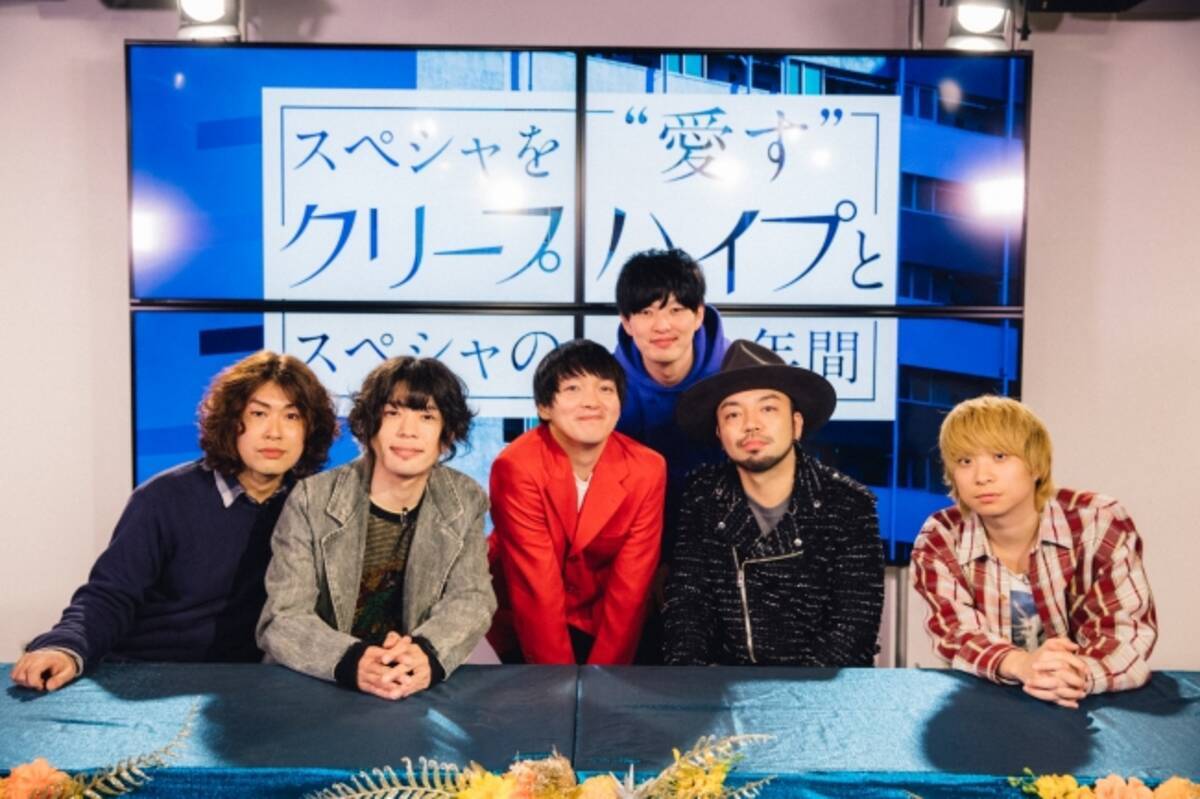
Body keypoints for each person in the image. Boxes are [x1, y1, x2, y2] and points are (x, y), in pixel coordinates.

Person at [11, 351, 337, 692]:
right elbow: (110, 594)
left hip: (245, 686)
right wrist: (64, 646)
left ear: (310, 430)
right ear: (230, 421)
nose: (275, 433)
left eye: (292, 416)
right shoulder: (164, 497)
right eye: (258, 413)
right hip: (147, 675)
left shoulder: (311, 506)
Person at [257, 356, 495, 701]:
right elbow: (282, 617)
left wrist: (426, 654)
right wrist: (352, 661)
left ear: (448, 435)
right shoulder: (312, 498)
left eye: (426, 417)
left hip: (410, 686)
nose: (408, 431)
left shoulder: (465, 498)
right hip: (319, 684)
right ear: (369, 427)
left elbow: (472, 598)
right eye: (392, 413)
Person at [911, 395, 1157, 707]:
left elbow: (1124, 632)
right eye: (965, 461)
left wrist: (1072, 677)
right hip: (984, 703)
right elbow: (955, 633)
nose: (982, 477)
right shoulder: (941, 536)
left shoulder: (1098, 521)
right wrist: (1022, 665)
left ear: (1036, 465)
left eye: (1000, 456)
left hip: (1082, 702)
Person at [662, 339, 884, 666]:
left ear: (796, 424)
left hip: (823, 688)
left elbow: (853, 627)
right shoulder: (702, 495)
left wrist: (791, 694)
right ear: (719, 433)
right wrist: (691, 683)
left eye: (767, 409)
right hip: (723, 686)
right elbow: (688, 608)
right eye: (733, 414)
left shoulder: (849, 503)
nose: (751, 424)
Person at [486, 340, 666, 665]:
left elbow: (632, 584)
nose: (592, 402)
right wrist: (558, 682)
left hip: (600, 619)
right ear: (544, 408)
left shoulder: (647, 468)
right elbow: (536, 586)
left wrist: (606, 675)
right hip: (519, 618)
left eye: (605, 389)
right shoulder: (517, 465)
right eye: (572, 389)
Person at [612, 248, 730, 661]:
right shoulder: (604, 388)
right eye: (646, 312)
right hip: (628, 562)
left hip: (724, 561)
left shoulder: (741, 374)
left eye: (677, 309)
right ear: (626, 322)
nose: (662, 325)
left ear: (699, 315)